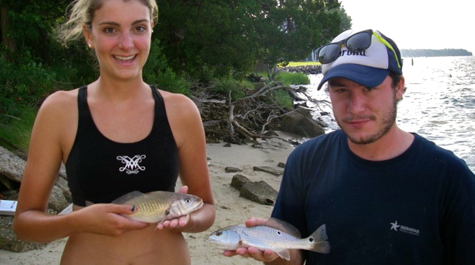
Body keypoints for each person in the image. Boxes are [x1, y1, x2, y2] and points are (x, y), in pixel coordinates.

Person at [224, 29, 475, 264]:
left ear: (399, 87)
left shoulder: (450, 178)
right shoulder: (305, 160)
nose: (355, 107)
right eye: (341, 89)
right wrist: (272, 252)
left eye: (369, 88)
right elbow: (296, 255)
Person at [13, 0, 215, 264]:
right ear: (89, 35)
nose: (127, 44)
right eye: (110, 30)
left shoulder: (181, 111)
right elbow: (24, 224)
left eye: (139, 28)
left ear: (151, 30)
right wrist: (78, 221)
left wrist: (187, 219)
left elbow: (207, 209)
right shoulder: (60, 111)